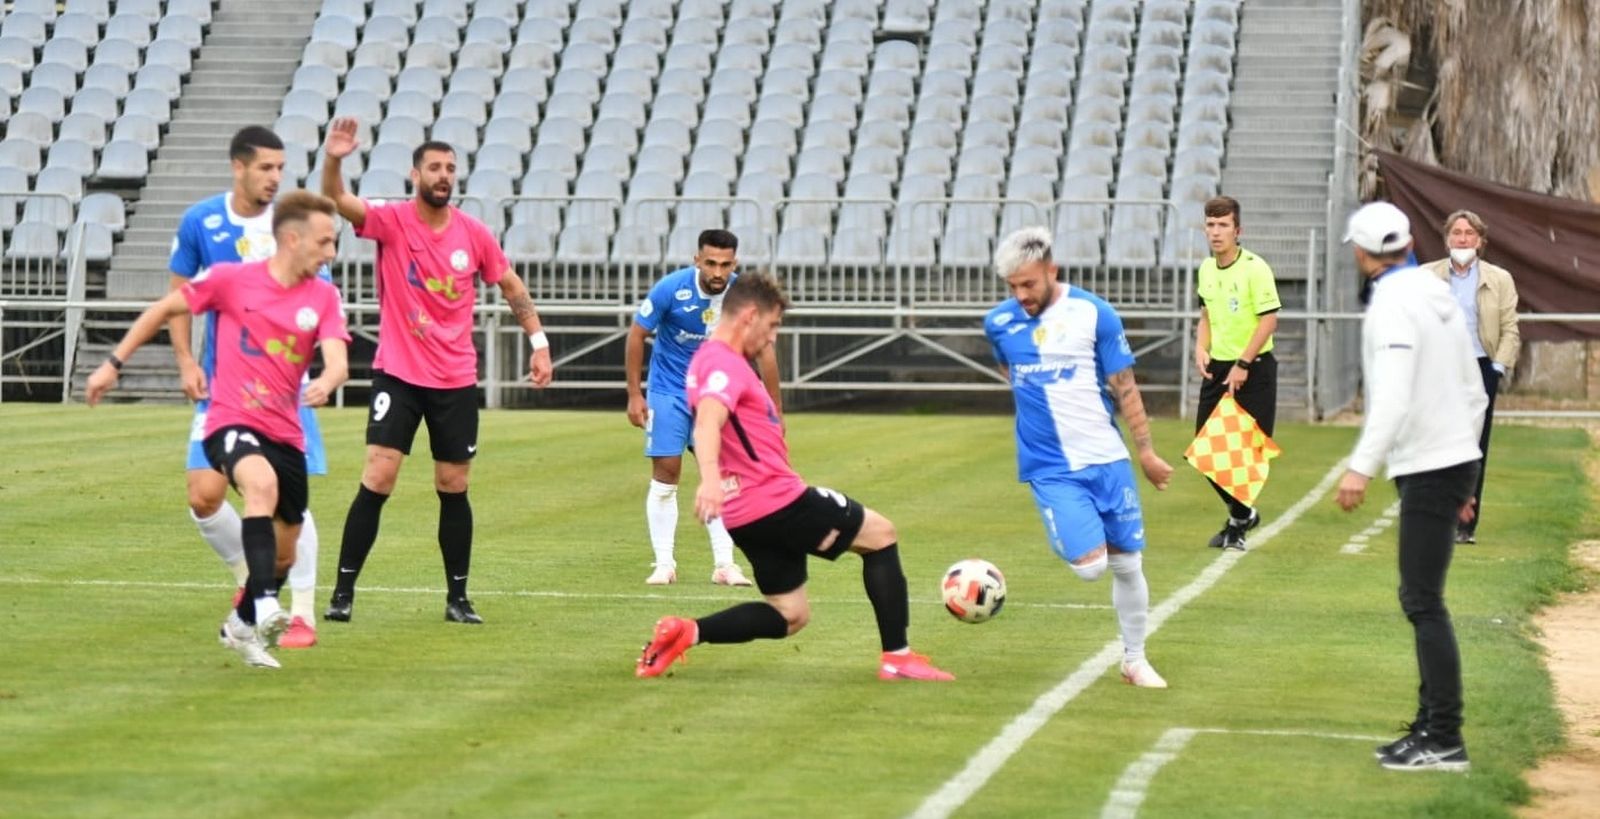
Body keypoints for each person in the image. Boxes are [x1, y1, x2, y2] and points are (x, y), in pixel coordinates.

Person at [635, 273, 952, 682]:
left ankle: (687, 632)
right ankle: (898, 657)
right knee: (881, 536)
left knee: (791, 615)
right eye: (772, 327)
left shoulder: (703, 361)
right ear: (749, 316)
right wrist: (709, 477)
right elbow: (708, 421)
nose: (771, 339)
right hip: (776, 501)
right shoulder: (722, 363)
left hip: (744, 514)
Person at [87, 190, 351, 669]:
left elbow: (337, 359)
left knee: (285, 552)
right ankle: (269, 604)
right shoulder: (231, 280)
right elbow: (162, 309)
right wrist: (112, 363)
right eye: (325, 242)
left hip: (286, 428)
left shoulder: (323, 296)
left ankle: (240, 627)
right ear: (292, 239)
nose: (331, 253)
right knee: (259, 484)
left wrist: (329, 380)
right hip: (227, 417)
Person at [319, 118, 554, 626]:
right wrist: (335, 157)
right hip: (399, 374)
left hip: (454, 380)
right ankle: (342, 593)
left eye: (450, 168)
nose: (444, 175)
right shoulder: (392, 222)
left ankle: (458, 599)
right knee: (379, 477)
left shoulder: (474, 234)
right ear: (415, 175)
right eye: (435, 167)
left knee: (453, 484)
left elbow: (511, 285)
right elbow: (338, 199)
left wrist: (539, 343)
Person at [984, 227, 1172, 688]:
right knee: (1092, 568)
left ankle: (1134, 659)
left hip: (1108, 459)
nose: (1021, 295)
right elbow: (1010, 374)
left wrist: (1145, 451)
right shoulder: (999, 323)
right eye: (1013, 287)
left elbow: (1124, 385)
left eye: (1028, 284)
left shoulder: (1095, 314)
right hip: (1051, 468)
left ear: (1052, 270)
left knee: (1129, 564)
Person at [1336, 201, 1485, 772]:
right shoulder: (1435, 292)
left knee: (1422, 601)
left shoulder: (1395, 301)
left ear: (1363, 250)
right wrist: (1466, 463)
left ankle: (1444, 736)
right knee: (1422, 599)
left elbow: (1394, 398)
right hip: (1449, 458)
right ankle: (1430, 727)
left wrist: (1360, 467)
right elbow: (1474, 388)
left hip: (1429, 463)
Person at [168, 126, 328, 648]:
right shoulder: (201, 221)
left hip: (283, 387)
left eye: (281, 168)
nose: (275, 177)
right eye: (266, 167)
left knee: (287, 501)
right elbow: (179, 296)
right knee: (203, 494)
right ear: (238, 166)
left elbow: (318, 293)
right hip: (224, 386)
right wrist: (187, 359)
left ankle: (300, 611)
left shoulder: (292, 227)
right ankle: (252, 577)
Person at [625, 229, 777, 586]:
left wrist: (774, 410)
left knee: (725, 476)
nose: (717, 272)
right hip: (670, 389)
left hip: (718, 394)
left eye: (725, 264)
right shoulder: (671, 288)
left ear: (734, 263)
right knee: (667, 470)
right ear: (698, 260)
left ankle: (724, 564)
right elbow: (636, 334)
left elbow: (766, 352)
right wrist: (635, 394)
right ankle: (664, 564)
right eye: (710, 263)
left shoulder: (744, 297)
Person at [1420, 210, 1520, 544]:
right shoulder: (1426, 276)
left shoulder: (1499, 279)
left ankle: (1466, 525)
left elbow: (1510, 331)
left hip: (1480, 368)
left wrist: (1498, 367)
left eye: (1469, 234)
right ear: (1447, 238)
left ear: (1480, 241)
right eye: (1457, 233)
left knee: (1473, 446)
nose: (1463, 239)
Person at [1192, 196, 1281, 550]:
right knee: (1203, 449)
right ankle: (1243, 515)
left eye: (1223, 225)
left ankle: (1237, 525)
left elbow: (1269, 319)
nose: (1216, 232)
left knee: (1247, 452)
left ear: (1237, 230)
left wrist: (1243, 363)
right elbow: (1206, 316)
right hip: (1218, 368)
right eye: (1211, 225)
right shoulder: (1206, 269)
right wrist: (1201, 347)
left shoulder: (1255, 268)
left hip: (1254, 367)